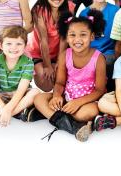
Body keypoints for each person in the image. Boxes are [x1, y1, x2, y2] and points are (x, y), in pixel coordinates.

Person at [33, 9, 107, 142]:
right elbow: (60, 83)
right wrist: (56, 96)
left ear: (92, 36)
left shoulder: (99, 58)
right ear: (66, 37)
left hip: (87, 100)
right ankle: (71, 125)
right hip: (67, 96)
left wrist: (78, 103)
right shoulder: (64, 55)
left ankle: (56, 117)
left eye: (83, 35)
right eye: (72, 35)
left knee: (86, 113)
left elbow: (100, 90)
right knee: (39, 99)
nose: (77, 39)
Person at [27, 0, 73, 92]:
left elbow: (64, 38)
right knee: (46, 83)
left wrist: (59, 61)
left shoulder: (69, 7)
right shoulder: (39, 10)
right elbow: (43, 39)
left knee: (60, 76)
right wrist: (47, 65)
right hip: (39, 53)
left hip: (58, 52)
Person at [79, 0, 119, 92]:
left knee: (110, 63)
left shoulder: (115, 11)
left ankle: (110, 94)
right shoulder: (84, 13)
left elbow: (120, 38)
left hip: (109, 53)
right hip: (90, 53)